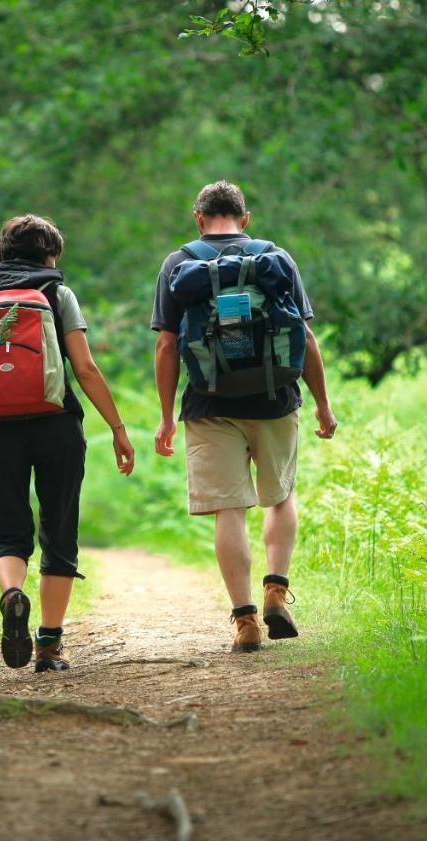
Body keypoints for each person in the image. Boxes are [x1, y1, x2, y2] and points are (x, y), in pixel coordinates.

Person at [151, 181, 337, 652]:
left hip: (210, 404)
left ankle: (246, 621)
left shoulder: (179, 263)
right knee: (279, 495)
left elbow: (167, 344)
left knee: (229, 509)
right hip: (275, 398)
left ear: (198, 217)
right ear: (245, 218)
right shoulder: (275, 258)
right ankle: (276, 590)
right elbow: (305, 337)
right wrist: (322, 404)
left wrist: (167, 416)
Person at [0, 214, 135, 672]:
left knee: (5, 532)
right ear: (49, 254)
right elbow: (86, 369)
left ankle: (12, 593)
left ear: (1, 251)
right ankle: (49, 645)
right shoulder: (57, 293)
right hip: (56, 425)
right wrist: (117, 427)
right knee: (59, 528)